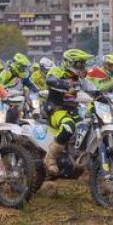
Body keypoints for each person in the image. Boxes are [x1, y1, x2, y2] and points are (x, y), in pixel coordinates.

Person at [42, 48, 95, 176]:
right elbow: (50, 80)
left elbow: (93, 90)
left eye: (83, 63)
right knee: (69, 126)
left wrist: (106, 99)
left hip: (74, 112)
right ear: (69, 62)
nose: (82, 66)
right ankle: (50, 158)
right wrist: (66, 85)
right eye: (79, 64)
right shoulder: (57, 71)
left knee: (88, 126)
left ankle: (78, 158)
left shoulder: (80, 79)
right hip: (56, 110)